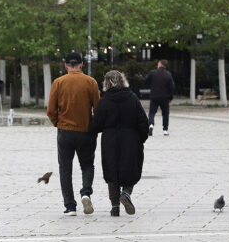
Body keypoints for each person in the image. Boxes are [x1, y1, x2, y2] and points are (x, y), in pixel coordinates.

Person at [46, 52, 100, 216]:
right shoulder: (91, 82)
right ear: (81, 64)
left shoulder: (58, 82)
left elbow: (51, 110)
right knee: (87, 165)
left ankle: (70, 206)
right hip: (85, 131)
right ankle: (85, 192)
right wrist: (93, 126)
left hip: (65, 131)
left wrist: (58, 123)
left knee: (65, 168)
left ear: (66, 65)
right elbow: (98, 109)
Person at [89, 70, 149, 216]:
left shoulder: (104, 100)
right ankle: (126, 193)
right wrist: (141, 138)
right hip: (131, 139)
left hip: (110, 141)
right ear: (123, 81)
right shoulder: (132, 98)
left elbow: (95, 125)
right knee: (131, 168)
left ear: (106, 83)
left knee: (112, 172)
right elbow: (143, 121)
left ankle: (115, 207)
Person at [144, 59, 174, 136]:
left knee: (152, 113)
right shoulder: (168, 74)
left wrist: (151, 84)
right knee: (165, 113)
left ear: (160, 64)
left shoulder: (152, 73)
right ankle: (165, 130)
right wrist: (170, 97)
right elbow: (172, 87)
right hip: (165, 97)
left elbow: (145, 81)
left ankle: (151, 125)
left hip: (154, 96)